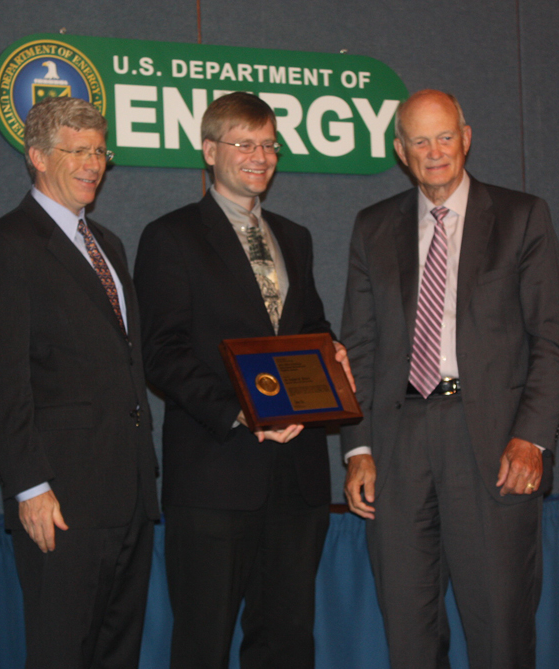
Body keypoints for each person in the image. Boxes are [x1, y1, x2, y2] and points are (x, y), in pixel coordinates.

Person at [341, 89, 559, 669]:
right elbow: (361, 349)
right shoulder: (372, 227)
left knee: (500, 631)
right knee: (409, 635)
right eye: (419, 140)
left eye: (445, 136)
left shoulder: (522, 218)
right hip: (397, 448)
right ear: (400, 151)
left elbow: (552, 341)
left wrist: (533, 438)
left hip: (493, 445)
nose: (434, 151)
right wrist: (359, 448)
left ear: (466, 139)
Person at [133, 91, 353, 669]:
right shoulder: (170, 236)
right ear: (209, 151)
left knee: (286, 643)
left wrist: (332, 355)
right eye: (243, 144)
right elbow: (161, 352)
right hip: (215, 476)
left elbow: (310, 327)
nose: (260, 156)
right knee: (202, 645)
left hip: (297, 478)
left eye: (268, 145)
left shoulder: (295, 237)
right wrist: (243, 412)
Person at [0, 96, 159, 669]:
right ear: (36, 157)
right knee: (60, 653)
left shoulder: (110, 246)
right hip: (61, 500)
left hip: (129, 496)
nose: (92, 163)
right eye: (76, 151)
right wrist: (29, 486)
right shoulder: (5, 246)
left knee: (116, 654)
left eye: (99, 151)